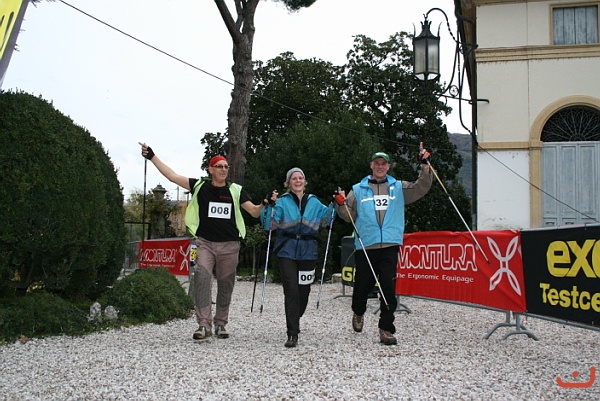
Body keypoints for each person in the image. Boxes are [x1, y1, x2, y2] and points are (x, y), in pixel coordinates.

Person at [139, 142, 266, 340]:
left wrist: (265, 204)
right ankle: (203, 325)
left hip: (230, 245)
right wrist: (152, 156)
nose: (223, 169)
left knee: (225, 285)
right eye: (219, 166)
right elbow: (172, 176)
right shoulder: (199, 186)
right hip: (205, 243)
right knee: (202, 280)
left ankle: (221, 324)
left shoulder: (236, 190)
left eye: (226, 167)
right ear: (210, 169)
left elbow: (254, 212)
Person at [334, 147, 432, 345]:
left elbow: (421, 188)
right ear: (371, 165)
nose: (380, 166)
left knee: (388, 286)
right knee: (362, 287)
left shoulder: (399, 187)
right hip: (366, 245)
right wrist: (340, 204)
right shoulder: (358, 189)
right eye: (377, 163)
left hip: (389, 244)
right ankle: (358, 312)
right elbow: (348, 216)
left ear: (388, 166)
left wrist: (425, 166)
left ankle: (386, 328)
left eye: (383, 163)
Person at [261, 168, 334, 348]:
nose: (298, 180)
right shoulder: (282, 202)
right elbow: (269, 225)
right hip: (286, 250)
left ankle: (296, 315)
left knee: (304, 291)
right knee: (291, 289)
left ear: (304, 181)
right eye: (294, 178)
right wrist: (269, 206)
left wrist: (336, 204)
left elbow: (328, 220)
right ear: (289, 182)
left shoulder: (314, 201)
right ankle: (292, 332)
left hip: (308, 251)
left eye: (300, 177)